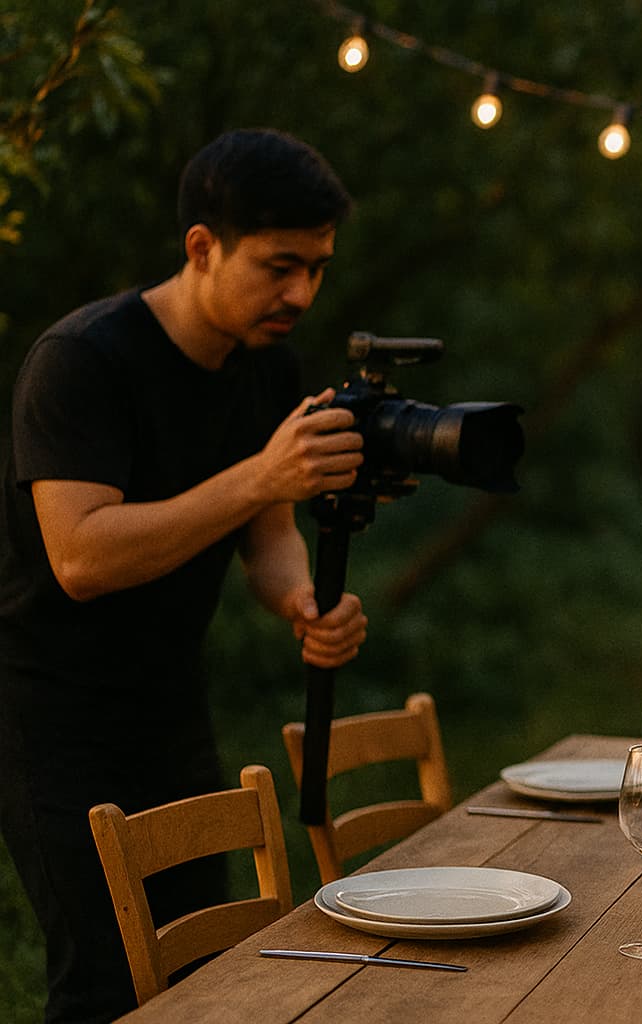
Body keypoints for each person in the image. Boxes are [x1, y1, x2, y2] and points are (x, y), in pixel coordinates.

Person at [0, 128, 370, 1023]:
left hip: (172, 705)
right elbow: (82, 556)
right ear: (201, 246)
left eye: (317, 268)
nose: (302, 293)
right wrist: (259, 476)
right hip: (52, 715)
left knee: (209, 967)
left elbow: (268, 535)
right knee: (104, 985)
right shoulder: (82, 359)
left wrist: (302, 601)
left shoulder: (268, 366)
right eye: (280, 266)